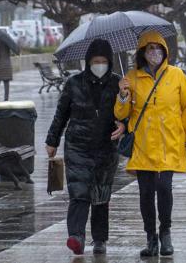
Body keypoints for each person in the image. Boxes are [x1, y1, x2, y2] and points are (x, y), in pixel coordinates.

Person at [115, 31, 186, 257]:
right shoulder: (131, 78)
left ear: (165, 50)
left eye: (158, 48)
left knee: (164, 188)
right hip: (143, 145)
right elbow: (121, 113)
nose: (155, 52)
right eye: (150, 48)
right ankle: (150, 237)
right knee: (145, 193)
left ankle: (166, 233)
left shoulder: (177, 75)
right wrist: (122, 95)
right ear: (143, 52)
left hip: (169, 143)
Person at [45, 39, 125, 255]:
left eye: (103, 61)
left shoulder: (119, 83)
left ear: (109, 62)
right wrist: (52, 140)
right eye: (95, 61)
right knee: (79, 191)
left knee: (101, 194)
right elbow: (61, 114)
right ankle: (76, 236)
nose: (99, 64)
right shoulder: (73, 83)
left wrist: (124, 119)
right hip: (77, 146)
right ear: (88, 62)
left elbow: (127, 115)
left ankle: (99, 239)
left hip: (106, 147)